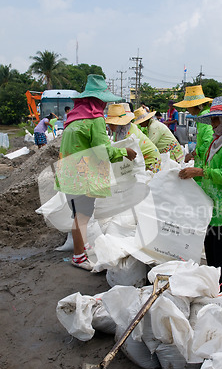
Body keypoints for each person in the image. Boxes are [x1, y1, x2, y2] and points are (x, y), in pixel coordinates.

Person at [55, 75, 137, 271]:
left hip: (68, 172)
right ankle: (79, 256)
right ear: (99, 100)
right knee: (82, 216)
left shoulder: (74, 117)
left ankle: (80, 248)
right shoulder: (95, 119)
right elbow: (102, 150)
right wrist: (125, 152)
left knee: (78, 213)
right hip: (82, 174)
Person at [179, 96, 222, 290]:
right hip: (211, 207)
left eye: (216, 119)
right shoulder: (218, 141)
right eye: (212, 118)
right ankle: (214, 288)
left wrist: (200, 172)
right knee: (212, 252)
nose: (213, 123)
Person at [106, 103, 162, 173]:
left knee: (147, 181)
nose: (110, 127)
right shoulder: (121, 131)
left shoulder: (129, 135)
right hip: (140, 158)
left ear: (120, 123)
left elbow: (129, 156)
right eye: (109, 124)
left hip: (150, 160)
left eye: (112, 124)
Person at [174, 85, 213, 183]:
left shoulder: (204, 118)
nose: (187, 109)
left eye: (188, 106)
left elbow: (208, 142)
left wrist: (193, 154)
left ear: (195, 105)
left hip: (206, 165)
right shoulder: (202, 117)